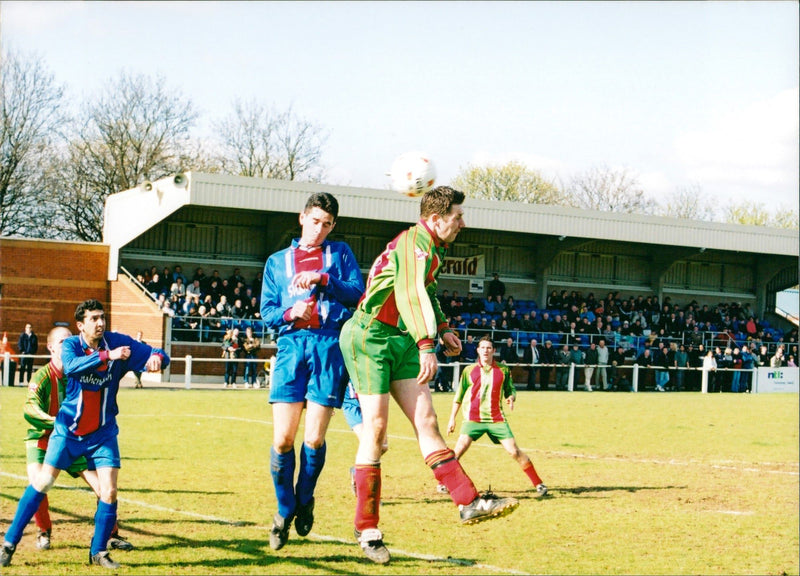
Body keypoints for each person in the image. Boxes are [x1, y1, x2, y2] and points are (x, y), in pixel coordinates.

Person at [339, 186, 518, 565]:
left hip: (400, 337)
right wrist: (426, 342)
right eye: (458, 217)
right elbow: (410, 291)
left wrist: (445, 327)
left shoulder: (432, 247)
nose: (463, 223)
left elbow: (429, 292)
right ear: (436, 219)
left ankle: (468, 502)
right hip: (370, 336)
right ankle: (367, 528)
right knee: (375, 430)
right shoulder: (414, 242)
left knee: (428, 421)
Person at [1, 298, 169, 569]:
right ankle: (9, 543)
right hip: (67, 431)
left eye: (102, 317)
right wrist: (106, 356)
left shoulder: (116, 341)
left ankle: (98, 552)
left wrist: (156, 359)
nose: (100, 322)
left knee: (109, 490)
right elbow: (71, 367)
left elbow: (158, 353)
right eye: (93, 318)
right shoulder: (70, 346)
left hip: (102, 433)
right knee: (43, 482)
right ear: (80, 325)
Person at [260, 192, 365, 552]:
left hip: (327, 346)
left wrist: (323, 279)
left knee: (314, 439)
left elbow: (357, 294)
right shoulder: (277, 262)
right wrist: (291, 315)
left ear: (333, 226)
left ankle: (305, 499)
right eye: (315, 220)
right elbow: (268, 311)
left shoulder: (340, 254)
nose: (319, 229)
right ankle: (284, 510)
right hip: (291, 348)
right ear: (302, 217)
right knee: (282, 440)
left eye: (327, 224)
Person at [19, 326, 135, 553]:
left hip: (75, 440)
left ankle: (111, 534)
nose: (68, 345)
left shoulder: (82, 370)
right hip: (42, 439)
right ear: (51, 347)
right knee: (38, 482)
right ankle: (44, 532)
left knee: (104, 487)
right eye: (62, 342)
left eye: (70, 341)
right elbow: (29, 408)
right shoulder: (42, 376)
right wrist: (57, 424)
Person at [441, 336, 548, 497]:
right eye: (482, 348)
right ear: (478, 350)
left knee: (514, 451)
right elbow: (459, 396)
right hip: (473, 419)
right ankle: (444, 483)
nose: (485, 351)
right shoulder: (469, 370)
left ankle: (539, 483)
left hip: (496, 419)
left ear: (494, 351)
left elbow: (510, 389)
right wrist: (452, 419)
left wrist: (511, 397)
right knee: (458, 451)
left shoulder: (503, 370)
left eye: (489, 348)